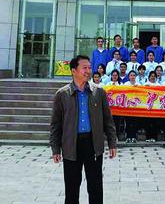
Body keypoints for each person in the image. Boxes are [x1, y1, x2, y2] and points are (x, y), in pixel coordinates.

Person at [49, 55, 117, 204]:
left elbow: (108, 120)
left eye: (89, 68)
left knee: (95, 187)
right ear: (74, 71)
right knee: (72, 189)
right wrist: (55, 148)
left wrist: (112, 143)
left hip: (93, 144)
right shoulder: (62, 94)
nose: (88, 71)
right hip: (71, 146)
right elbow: (55, 124)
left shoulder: (98, 92)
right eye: (84, 68)